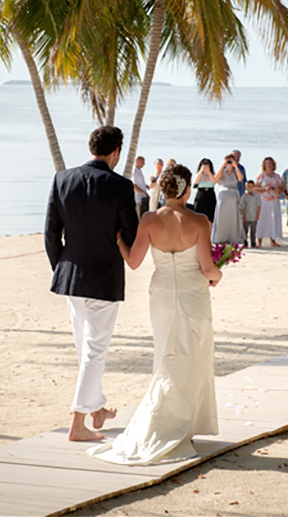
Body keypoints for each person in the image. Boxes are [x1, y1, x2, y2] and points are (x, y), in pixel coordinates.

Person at [90, 165, 221, 465]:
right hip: (193, 295)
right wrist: (218, 275)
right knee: (193, 355)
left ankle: (168, 419)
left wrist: (120, 241)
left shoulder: (149, 220)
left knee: (166, 354)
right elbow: (207, 268)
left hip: (162, 294)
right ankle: (184, 426)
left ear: (163, 189)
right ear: (187, 189)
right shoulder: (200, 221)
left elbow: (134, 262)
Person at [44, 126, 138, 442]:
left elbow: (50, 233)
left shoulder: (62, 179)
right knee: (95, 350)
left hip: (70, 276)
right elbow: (132, 235)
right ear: (116, 152)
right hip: (104, 277)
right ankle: (78, 422)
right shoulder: (121, 187)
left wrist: (62, 268)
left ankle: (97, 408)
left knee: (85, 347)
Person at [211, 155, 245, 244]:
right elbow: (215, 180)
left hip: (233, 196)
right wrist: (223, 165)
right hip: (223, 197)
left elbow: (241, 178)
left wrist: (235, 166)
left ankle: (232, 237)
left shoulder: (236, 171)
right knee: (222, 217)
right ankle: (221, 237)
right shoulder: (222, 172)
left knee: (233, 217)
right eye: (228, 161)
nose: (229, 163)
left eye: (231, 161)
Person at [255, 157, 284, 247]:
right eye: (267, 163)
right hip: (264, 201)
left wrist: (276, 189)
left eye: (270, 163)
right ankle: (259, 240)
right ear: (264, 165)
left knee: (273, 220)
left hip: (274, 201)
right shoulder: (261, 176)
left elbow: (282, 189)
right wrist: (265, 189)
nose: (269, 165)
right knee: (262, 220)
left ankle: (273, 240)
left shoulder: (277, 177)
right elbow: (255, 188)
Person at [193, 158, 217, 222]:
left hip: (210, 194)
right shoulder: (199, 174)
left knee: (211, 215)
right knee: (199, 214)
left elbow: (214, 181)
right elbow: (195, 182)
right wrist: (201, 171)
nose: (205, 165)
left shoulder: (212, 174)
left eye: (207, 164)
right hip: (201, 194)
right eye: (204, 163)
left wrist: (209, 171)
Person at [241, 180, 262, 248]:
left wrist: (258, 215)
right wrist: (243, 216)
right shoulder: (244, 196)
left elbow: (259, 206)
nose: (250, 188)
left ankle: (253, 243)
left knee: (253, 231)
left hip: (254, 217)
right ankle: (245, 242)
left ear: (254, 187)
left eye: (251, 186)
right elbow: (242, 206)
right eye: (248, 187)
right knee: (245, 231)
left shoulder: (257, 196)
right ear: (247, 187)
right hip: (246, 217)